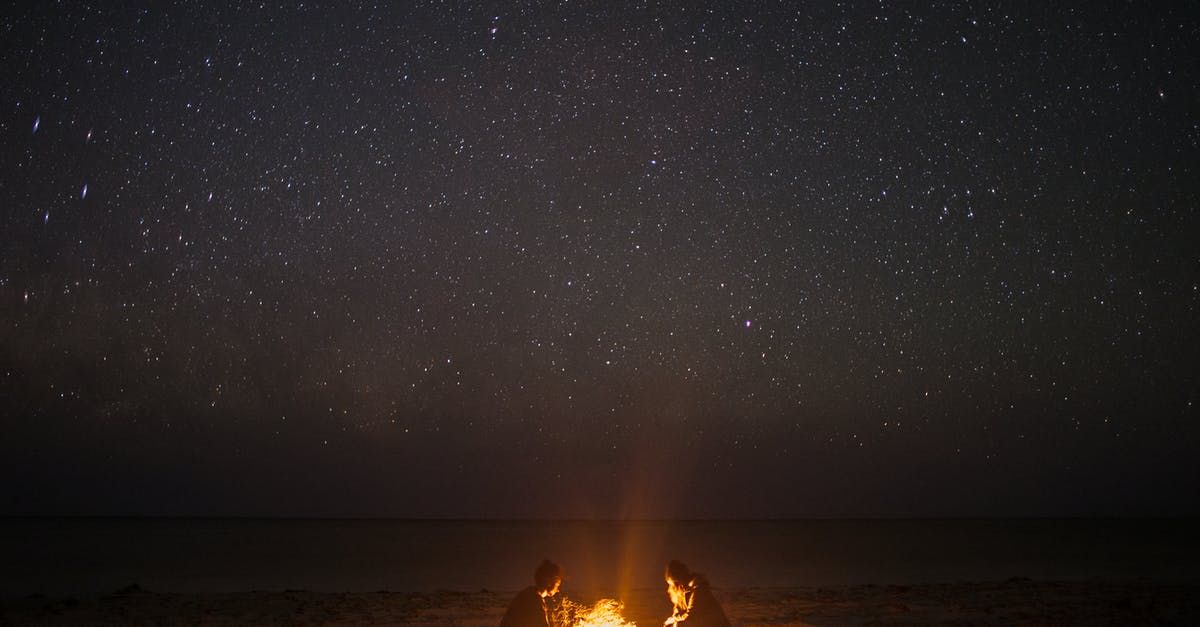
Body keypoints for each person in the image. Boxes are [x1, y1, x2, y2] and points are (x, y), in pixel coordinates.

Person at [663, 560, 730, 627]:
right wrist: (671, 620)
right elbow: (677, 611)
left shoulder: (698, 588)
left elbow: (691, 617)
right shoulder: (680, 594)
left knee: (680, 624)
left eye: (672, 584)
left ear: (679, 581)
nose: (671, 587)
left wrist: (674, 619)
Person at [500, 559, 563, 627]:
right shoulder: (534, 600)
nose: (558, 590)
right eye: (557, 585)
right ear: (549, 582)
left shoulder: (528, 594)